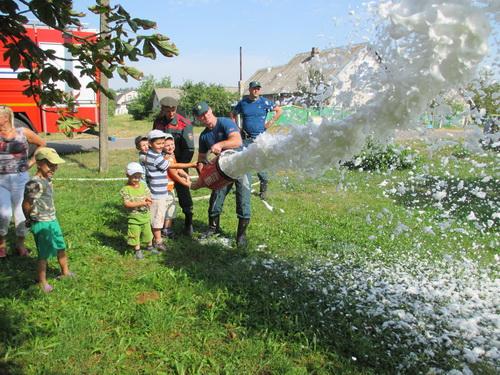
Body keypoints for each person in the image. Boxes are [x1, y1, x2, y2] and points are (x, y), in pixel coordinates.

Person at [191, 101, 251, 248]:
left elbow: (237, 141)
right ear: (198, 119)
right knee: (215, 199)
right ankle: (213, 228)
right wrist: (203, 176)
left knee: (243, 200)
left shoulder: (225, 122)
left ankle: (241, 235)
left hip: (241, 166)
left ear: (211, 110)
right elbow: (201, 159)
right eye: (201, 116)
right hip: (222, 171)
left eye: (206, 112)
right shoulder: (204, 136)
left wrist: (220, 145)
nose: (205, 116)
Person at [22, 148, 75, 292]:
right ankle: (42, 282)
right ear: (38, 164)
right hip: (41, 222)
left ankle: (65, 272)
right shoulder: (34, 184)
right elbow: (26, 203)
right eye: (49, 165)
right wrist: (28, 218)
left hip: (52, 219)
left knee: (61, 246)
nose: (53, 168)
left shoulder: (47, 179)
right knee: (44, 253)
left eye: (55, 165)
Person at [0, 104, 46, 258]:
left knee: (21, 214)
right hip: (1, 180)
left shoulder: (22, 132)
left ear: (5, 118)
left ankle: (20, 244)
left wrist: (32, 162)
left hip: (20, 179)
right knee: (4, 213)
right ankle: (1, 243)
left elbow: (42, 144)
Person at [145, 130, 197, 251]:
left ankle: (156, 237)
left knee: (160, 216)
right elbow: (172, 166)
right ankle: (157, 241)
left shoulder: (156, 154)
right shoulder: (155, 157)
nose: (161, 146)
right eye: (159, 144)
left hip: (161, 192)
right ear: (150, 144)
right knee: (157, 218)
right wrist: (191, 165)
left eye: (163, 143)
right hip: (157, 194)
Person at [230, 81, 282, 201]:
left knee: (261, 164)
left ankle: (263, 191)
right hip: (246, 138)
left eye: (258, 88)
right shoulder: (243, 103)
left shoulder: (265, 102)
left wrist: (270, 122)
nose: (256, 90)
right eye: (254, 88)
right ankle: (242, 187)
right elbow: (233, 114)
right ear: (250, 89)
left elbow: (279, 110)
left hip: (260, 139)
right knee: (243, 162)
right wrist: (236, 128)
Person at [153, 97, 195, 235]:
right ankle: (166, 223)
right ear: (162, 109)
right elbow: (154, 142)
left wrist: (178, 167)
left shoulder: (184, 124)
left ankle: (188, 222)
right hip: (162, 165)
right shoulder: (158, 122)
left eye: (173, 110)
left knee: (183, 192)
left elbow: (189, 149)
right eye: (168, 110)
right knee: (163, 193)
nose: (171, 113)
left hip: (179, 164)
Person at [120, 162, 156, 260]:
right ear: (127, 175)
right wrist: (141, 203)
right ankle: (137, 250)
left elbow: (148, 195)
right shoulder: (125, 189)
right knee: (134, 235)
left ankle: (149, 246)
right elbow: (127, 204)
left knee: (148, 233)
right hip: (134, 218)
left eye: (139, 177)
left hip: (145, 216)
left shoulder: (143, 186)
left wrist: (149, 199)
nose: (137, 179)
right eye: (134, 177)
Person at [162, 133, 193, 239]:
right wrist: (186, 183)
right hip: (166, 189)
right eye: (167, 145)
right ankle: (166, 230)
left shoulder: (171, 155)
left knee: (167, 209)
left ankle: (164, 228)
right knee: (170, 209)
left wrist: (185, 175)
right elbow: (173, 174)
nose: (170, 147)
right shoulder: (167, 158)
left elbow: (177, 167)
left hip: (168, 188)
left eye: (172, 144)